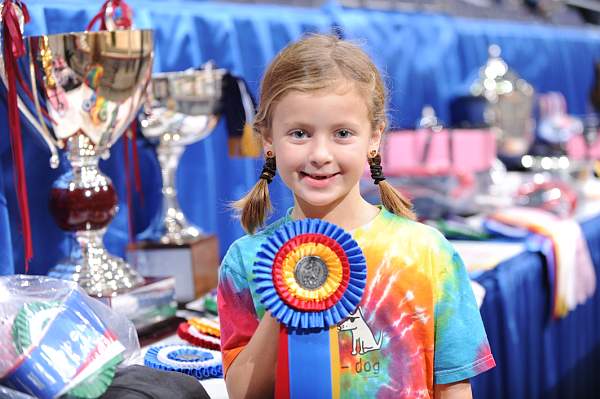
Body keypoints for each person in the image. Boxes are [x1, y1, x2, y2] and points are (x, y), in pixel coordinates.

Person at [217, 34, 495, 399]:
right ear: (268, 140)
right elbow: (242, 393)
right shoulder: (245, 261)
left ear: (375, 138)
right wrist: (285, 296)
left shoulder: (428, 253)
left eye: (342, 133)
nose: (319, 153)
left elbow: (454, 386)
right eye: (299, 133)